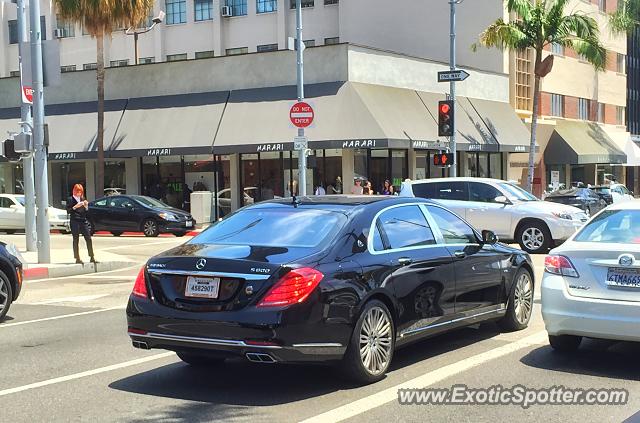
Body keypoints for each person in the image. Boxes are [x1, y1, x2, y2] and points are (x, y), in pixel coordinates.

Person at [66, 184, 95, 265]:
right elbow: (68, 210)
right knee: (76, 239)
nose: (79, 193)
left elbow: (86, 213)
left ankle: (92, 256)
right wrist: (75, 206)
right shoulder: (70, 199)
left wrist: (86, 207)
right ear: (74, 191)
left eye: (80, 191)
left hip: (83, 220)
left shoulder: (82, 199)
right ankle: (77, 258)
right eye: (78, 191)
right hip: (75, 221)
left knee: (88, 238)